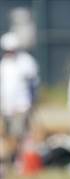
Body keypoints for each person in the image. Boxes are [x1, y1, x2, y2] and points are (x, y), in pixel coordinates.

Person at [0, 32, 39, 166]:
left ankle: (20, 160)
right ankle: (11, 159)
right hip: (6, 106)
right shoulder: (4, 63)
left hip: (22, 104)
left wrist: (32, 102)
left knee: (19, 133)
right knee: (8, 134)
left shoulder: (26, 61)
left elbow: (33, 84)